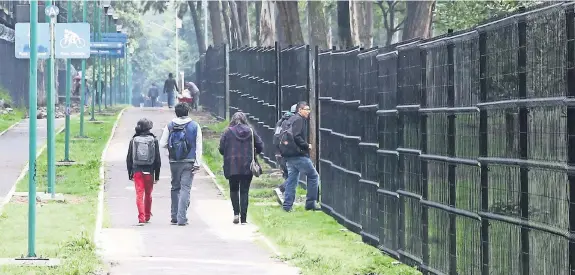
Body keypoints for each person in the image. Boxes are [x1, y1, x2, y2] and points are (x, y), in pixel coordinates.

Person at [159, 103, 203, 226]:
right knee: (185, 189)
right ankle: (182, 218)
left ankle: (174, 216)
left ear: (176, 112)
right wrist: (197, 162)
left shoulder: (170, 125)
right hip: (189, 161)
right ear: (188, 112)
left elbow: (162, 144)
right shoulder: (194, 126)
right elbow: (199, 146)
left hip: (174, 161)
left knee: (175, 187)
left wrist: (171, 147)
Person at [218, 112, 263, 224]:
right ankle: (243, 219)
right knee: (244, 191)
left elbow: (221, 148)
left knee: (233, 190)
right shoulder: (251, 131)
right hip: (247, 165)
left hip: (232, 165)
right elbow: (260, 145)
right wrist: (253, 152)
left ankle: (236, 214)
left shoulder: (227, 132)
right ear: (244, 120)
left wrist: (228, 154)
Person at [280, 101, 320, 212]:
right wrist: (307, 145)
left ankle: (287, 206)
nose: (308, 111)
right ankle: (310, 203)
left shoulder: (291, 119)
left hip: (289, 155)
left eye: (308, 109)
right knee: (313, 176)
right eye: (306, 109)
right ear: (299, 110)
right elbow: (296, 136)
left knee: (292, 180)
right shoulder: (299, 120)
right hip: (299, 154)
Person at [126, 118, 162, 225]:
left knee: (139, 194)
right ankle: (147, 215)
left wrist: (130, 173)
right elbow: (157, 160)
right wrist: (157, 176)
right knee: (148, 194)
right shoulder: (153, 140)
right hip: (149, 171)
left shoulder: (134, 140)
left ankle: (141, 218)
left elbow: (129, 158)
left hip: (137, 171)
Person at [273, 104, 300, 205]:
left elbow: (276, 137)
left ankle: (288, 200)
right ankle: (281, 190)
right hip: (288, 153)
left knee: (288, 175)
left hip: (279, 153)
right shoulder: (293, 122)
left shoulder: (281, 121)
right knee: (293, 176)